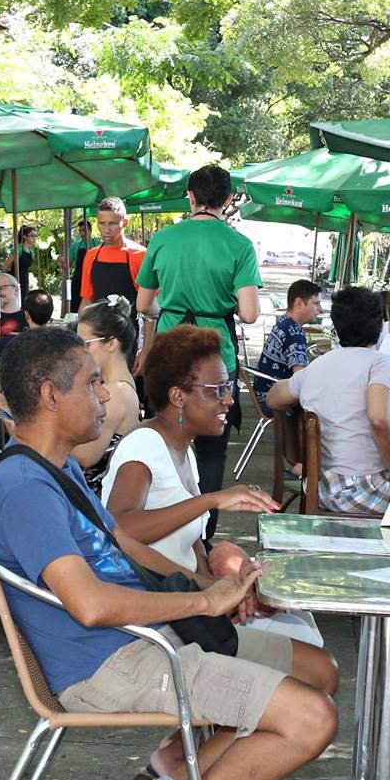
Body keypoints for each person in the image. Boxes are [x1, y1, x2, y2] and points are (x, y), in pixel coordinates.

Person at [0, 326, 339, 780]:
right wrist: (201, 604)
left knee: (316, 673)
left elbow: (121, 544)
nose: (105, 396)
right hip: (109, 664)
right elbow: (90, 604)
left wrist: (208, 585)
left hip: (146, 640)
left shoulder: (55, 469)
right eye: (93, 384)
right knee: (309, 719)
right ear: (48, 395)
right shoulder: (24, 487)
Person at [135, 164, 261, 522]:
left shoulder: (163, 239)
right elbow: (249, 314)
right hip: (215, 355)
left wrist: (174, 304)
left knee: (163, 438)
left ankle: (162, 523)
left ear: (189, 197)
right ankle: (203, 533)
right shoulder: (239, 245)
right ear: (228, 200)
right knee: (210, 449)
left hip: (168, 349)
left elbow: (144, 305)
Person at [105, 326, 281, 570]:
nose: (229, 399)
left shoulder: (183, 449)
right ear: (178, 396)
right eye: (218, 390)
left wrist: (222, 589)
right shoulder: (145, 443)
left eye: (228, 388)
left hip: (182, 595)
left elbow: (191, 546)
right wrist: (212, 500)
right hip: (150, 599)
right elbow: (119, 528)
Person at [267, 286, 390, 515]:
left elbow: (273, 398)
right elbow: (379, 419)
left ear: (336, 326)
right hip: (360, 488)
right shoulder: (381, 364)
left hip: (319, 487)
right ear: (380, 325)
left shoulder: (317, 366)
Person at [69, 294, 143, 479]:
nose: (79, 352)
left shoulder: (115, 393)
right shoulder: (115, 385)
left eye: (84, 344)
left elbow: (85, 457)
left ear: (111, 344)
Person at [254, 278, 320, 402]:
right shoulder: (294, 333)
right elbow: (300, 379)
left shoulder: (284, 322)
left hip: (263, 392)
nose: (319, 309)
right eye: (316, 303)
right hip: (274, 399)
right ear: (299, 303)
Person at [81, 196, 148, 307]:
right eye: (102, 223)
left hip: (130, 323)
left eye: (112, 223)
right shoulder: (91, 255)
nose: (106, 230)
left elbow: (151, 304)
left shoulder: (141, 255)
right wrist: (80, 324)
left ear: (125, 223)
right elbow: (87, 300)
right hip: (98, 323)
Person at [67, 217, 97, 309]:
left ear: (90, 230)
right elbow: (68, 264)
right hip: (78, 280)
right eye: (80, 231)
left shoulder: (98, 244)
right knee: (76, 306)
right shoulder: (75, 245)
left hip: (94, 279)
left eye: (84, 230)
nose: (81, 233)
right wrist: (62, 262)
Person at [14, 224, 38, 296]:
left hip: (24, 280)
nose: (34, 238)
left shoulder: (31, 252)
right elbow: (5, 267)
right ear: (24, 236)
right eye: (32, 236)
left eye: (35, 236)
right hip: (15, 280)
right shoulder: (18, 249)